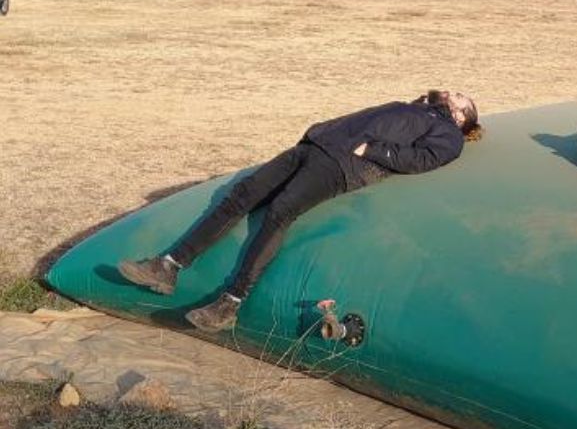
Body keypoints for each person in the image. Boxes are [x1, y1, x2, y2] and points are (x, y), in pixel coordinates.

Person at [119, 90, 481, 332]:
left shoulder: (447, 134)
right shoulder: (414, 107)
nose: (450, 91)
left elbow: (423, 159)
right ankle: (167, 266)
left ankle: (230, 304)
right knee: (240, 196)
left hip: (342, 165)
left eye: (459, 96)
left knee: (280, 212)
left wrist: (372, 150)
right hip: (318, 145)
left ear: (463, 117)